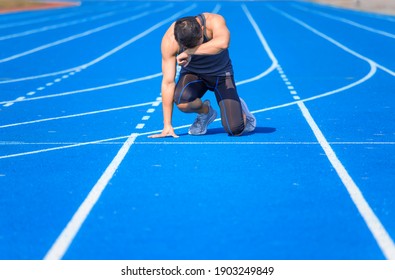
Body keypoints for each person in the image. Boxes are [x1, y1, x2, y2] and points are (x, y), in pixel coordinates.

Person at [148, 12, 256, 138]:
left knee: (234, 129)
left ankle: (239, 108)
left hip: (221, 75)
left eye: (197, 43)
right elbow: (167, 82)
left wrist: (189, 52)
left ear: (202, 30)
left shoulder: (214, 21)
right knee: (182, 101)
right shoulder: (170, 40)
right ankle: (206, 112)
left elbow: (223, 43)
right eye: (188, 46)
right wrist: (167, 125)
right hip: (193, 74)